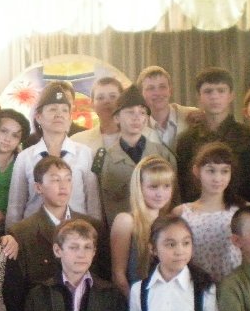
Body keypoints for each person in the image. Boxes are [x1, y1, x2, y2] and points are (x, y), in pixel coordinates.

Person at [6, 84, 101, 228]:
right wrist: (12, 235)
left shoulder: (84, 153)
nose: (59, 114)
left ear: (70, 118)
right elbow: (15, 207)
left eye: (64, 110)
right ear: (38, 117)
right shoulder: (25, 157)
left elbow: (93, 203)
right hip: (34, 233)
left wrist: (95, 234)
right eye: (52, 109)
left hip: (76, 232)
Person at [9, 156, 109, 289]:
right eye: (56, 180)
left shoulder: (94, 227)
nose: (63, 186)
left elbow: (104, 279)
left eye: (68, 179)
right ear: (38, 187)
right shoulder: (21, 233)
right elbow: (16, 289)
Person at [176, 67, 250, 203]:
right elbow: (183, 185)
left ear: (231, 95)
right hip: (198, 211)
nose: (214, 96)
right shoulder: (186, 140)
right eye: (208, 91)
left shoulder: (249, 137)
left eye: (221, 90)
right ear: (199, 97)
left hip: (240, 209)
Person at [99, 85, 176, 229]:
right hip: (121, 232)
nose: (136, 117)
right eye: (130, 112)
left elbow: (175, 199)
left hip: (159, 231)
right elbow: (101, 205)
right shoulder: (105, 159)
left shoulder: (163, 155)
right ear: (116, 118)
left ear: (146, 119)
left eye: (142, 113)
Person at [173, 142, 243, 281]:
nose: (217, 178)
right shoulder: (182, 212)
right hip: (195, 284)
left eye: (224, 171)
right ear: (197, 171)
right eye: (211, 171)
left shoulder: (240, 210)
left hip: (233, 285)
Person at [110, 155, 175, 297]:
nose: (160, 194)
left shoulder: (170, 223)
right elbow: (118, 276)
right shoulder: (126, 221)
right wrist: (137, 305)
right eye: (153, 187)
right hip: (134, 301)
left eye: (166, 186)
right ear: (139, 187)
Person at [0, 108, 31, 231]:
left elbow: (26, 201)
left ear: (20, 140)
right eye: (4, 131)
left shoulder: (23, 164)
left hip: (12, 227)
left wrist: (4, 216)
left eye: (15, 135)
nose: (7, 139)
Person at [136, 66, 199, 153]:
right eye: (151, 88)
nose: (158, 93)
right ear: (141, 95)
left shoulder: (192, 115)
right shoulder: (136, 126)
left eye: (162, 87)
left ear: (170, 91)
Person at [23, 80, 87, 148]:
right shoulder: (30, 141)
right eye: (54, 98)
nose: (61, 102)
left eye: (66, 98)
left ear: (73, 106)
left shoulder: (85, 136)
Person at [71, 76, 123, 152]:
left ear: (123, 101)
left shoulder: (137, 139)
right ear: (92, 104)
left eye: (113, 96)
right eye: (100, 98)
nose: (107, 101)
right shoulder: (77, 141)